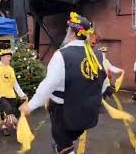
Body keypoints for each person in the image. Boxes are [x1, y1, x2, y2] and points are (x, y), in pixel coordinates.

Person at [20, 12, 107, 154]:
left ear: (72, 33)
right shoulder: (97, 55)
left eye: (68, 29)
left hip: (65, 114)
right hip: (88, 113)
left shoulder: (62, 55)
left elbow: (48, 85)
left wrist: (30, 106)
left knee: (64, 147)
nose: (67, 31)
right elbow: (103, 83)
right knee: (67, 142)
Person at [0, 49, 27, 136]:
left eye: (10, 57)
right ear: (2, 57)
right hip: (0, 95)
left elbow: (15, 84)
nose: (10, 59)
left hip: (11, 95)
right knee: (9, 110)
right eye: (8, 57)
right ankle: (17, 126)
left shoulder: (10, 69)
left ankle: (4, 127)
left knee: (9, 112)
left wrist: (22, 94)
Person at [89, 33, 124, 99]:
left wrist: (120, 71)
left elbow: (109, 70)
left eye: (105, 52)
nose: (104, 53)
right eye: (103, 52)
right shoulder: (95, 56)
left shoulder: (104, 60)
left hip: (102, 85)